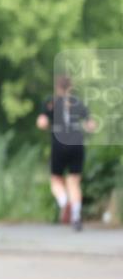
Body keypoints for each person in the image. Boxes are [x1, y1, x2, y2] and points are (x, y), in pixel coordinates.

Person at [37, 75, 95, 232]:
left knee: (56, 180)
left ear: (57, 87)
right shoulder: (79, 103)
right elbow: (91, 125)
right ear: (71, 86)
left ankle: (64, 203)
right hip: (77, 143)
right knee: (74, 182)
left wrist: (48, 125)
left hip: (59, 144)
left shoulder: (51, 102)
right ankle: (76, 217)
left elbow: (41, 123)